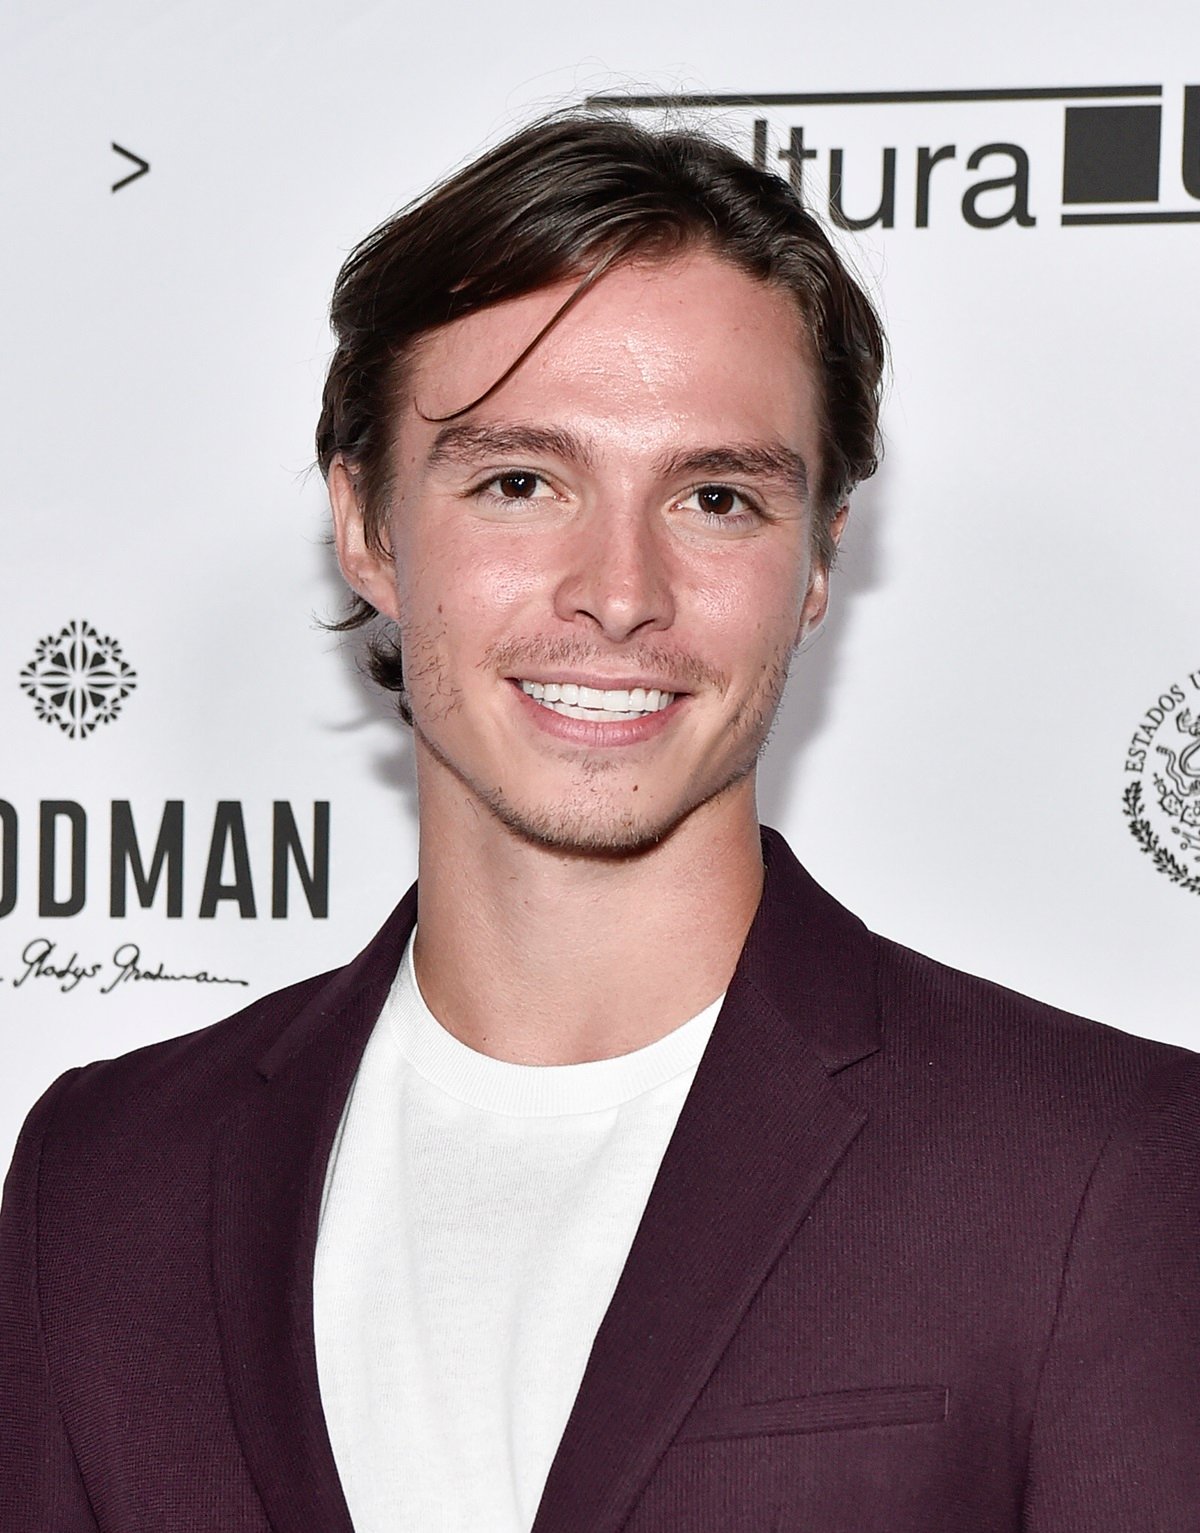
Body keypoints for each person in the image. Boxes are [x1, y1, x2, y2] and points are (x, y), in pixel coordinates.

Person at [2, 112, 1198, 1533]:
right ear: (370, 525)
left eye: (715, 496)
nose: (618, 589)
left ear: (817, 561)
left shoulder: (1103, 1168)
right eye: (521, 481)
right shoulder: (107, 1172)